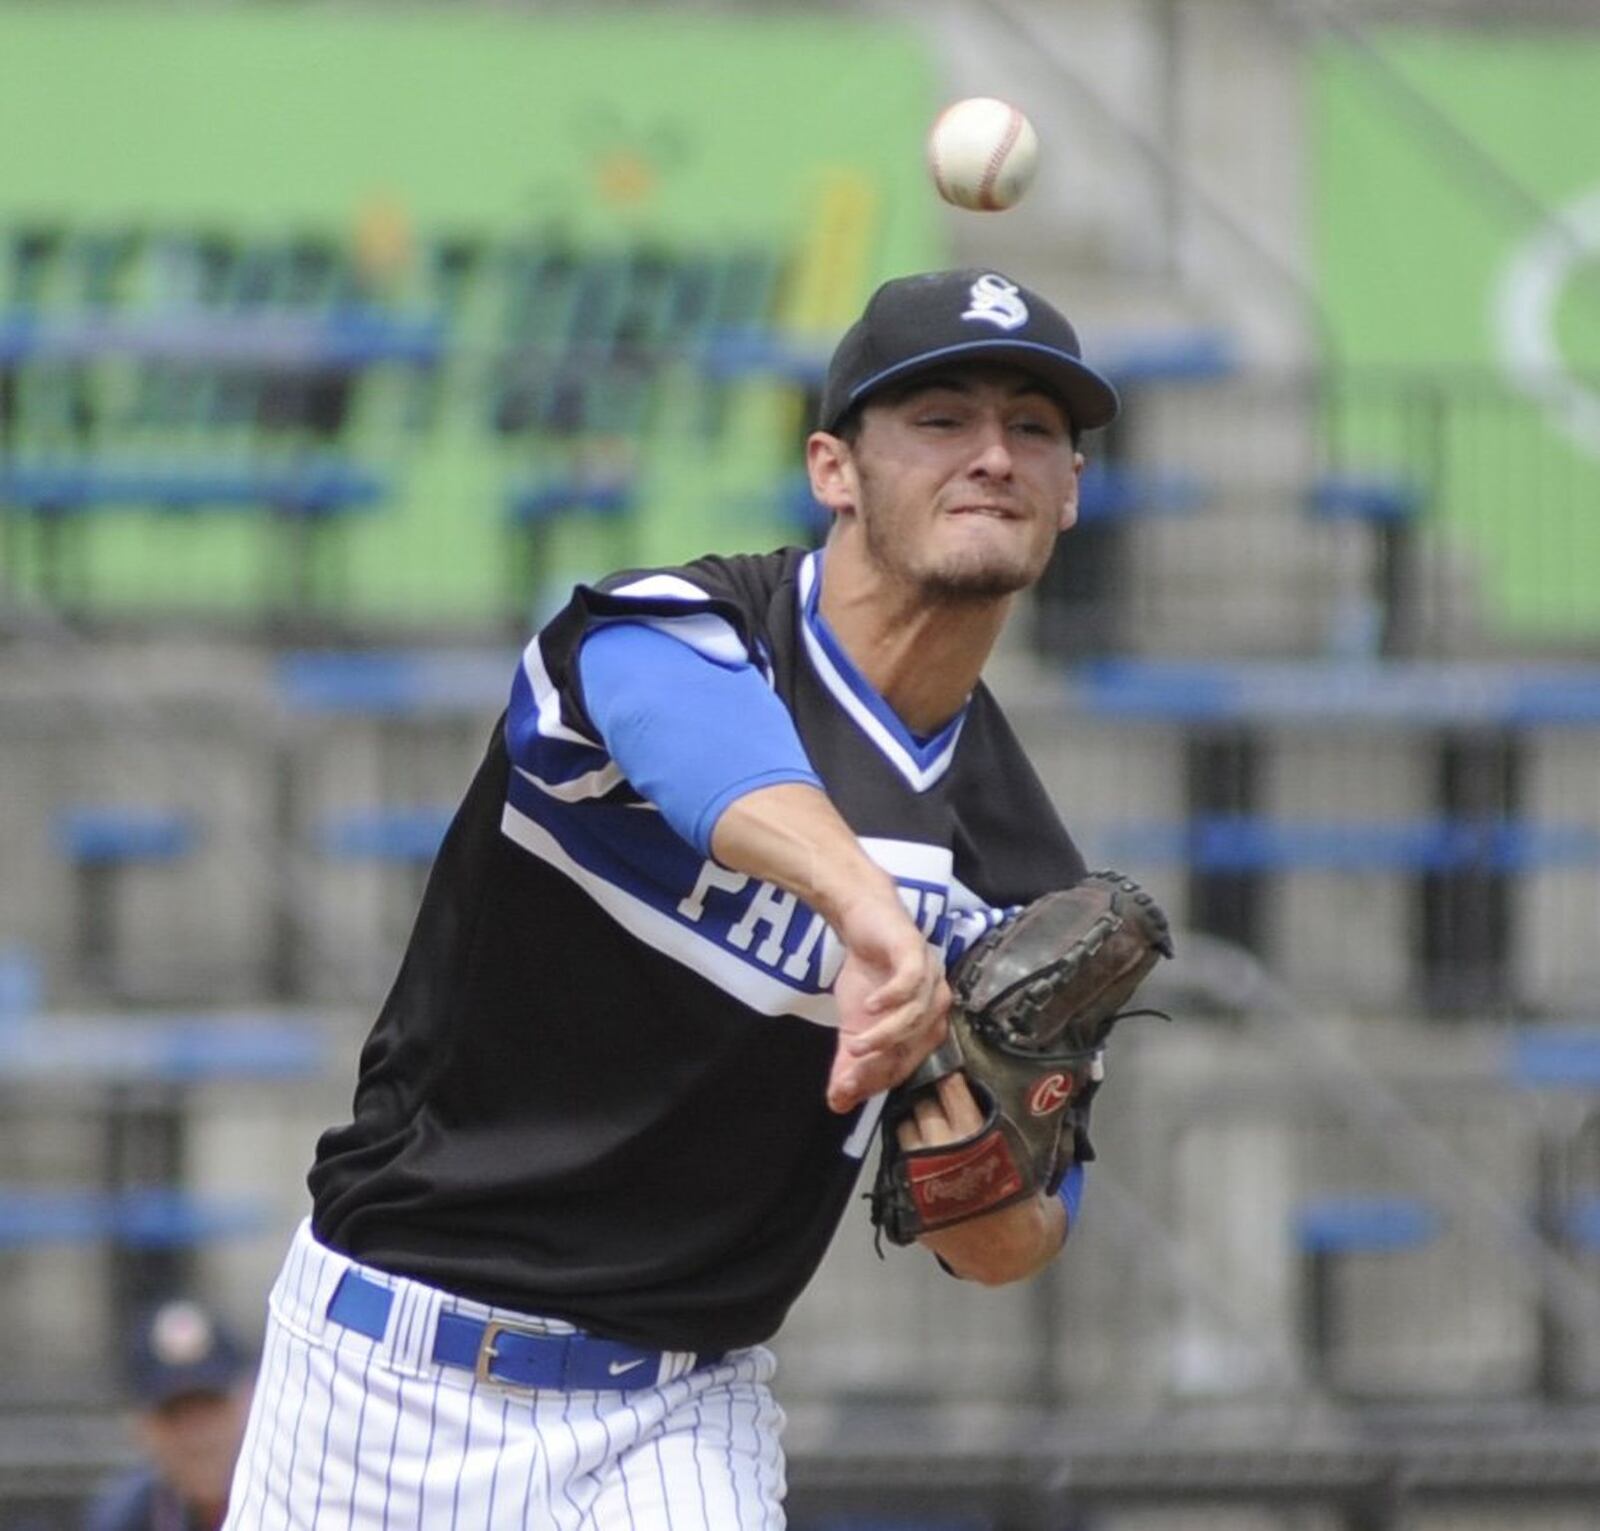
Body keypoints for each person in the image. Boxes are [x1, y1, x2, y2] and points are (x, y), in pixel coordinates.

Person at [222, 267, 1120, 1530]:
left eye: (1035, 427)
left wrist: (979, 1171)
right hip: (395, 1378)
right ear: (832, 469)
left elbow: (1014, 1244)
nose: (993, 455)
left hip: (682, 1412)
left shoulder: (1021, 875)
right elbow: (693, 745)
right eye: (939, 419)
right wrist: (871, 916)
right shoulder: (671, 631)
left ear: (1072, 491)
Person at [86, 1297, 252, 1531]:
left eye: (211, 1407)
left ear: (247, 1403)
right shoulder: (126, 1518)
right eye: (173, 1415)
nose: (198, 1437)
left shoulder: (299, 1495)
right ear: (141, 1427)